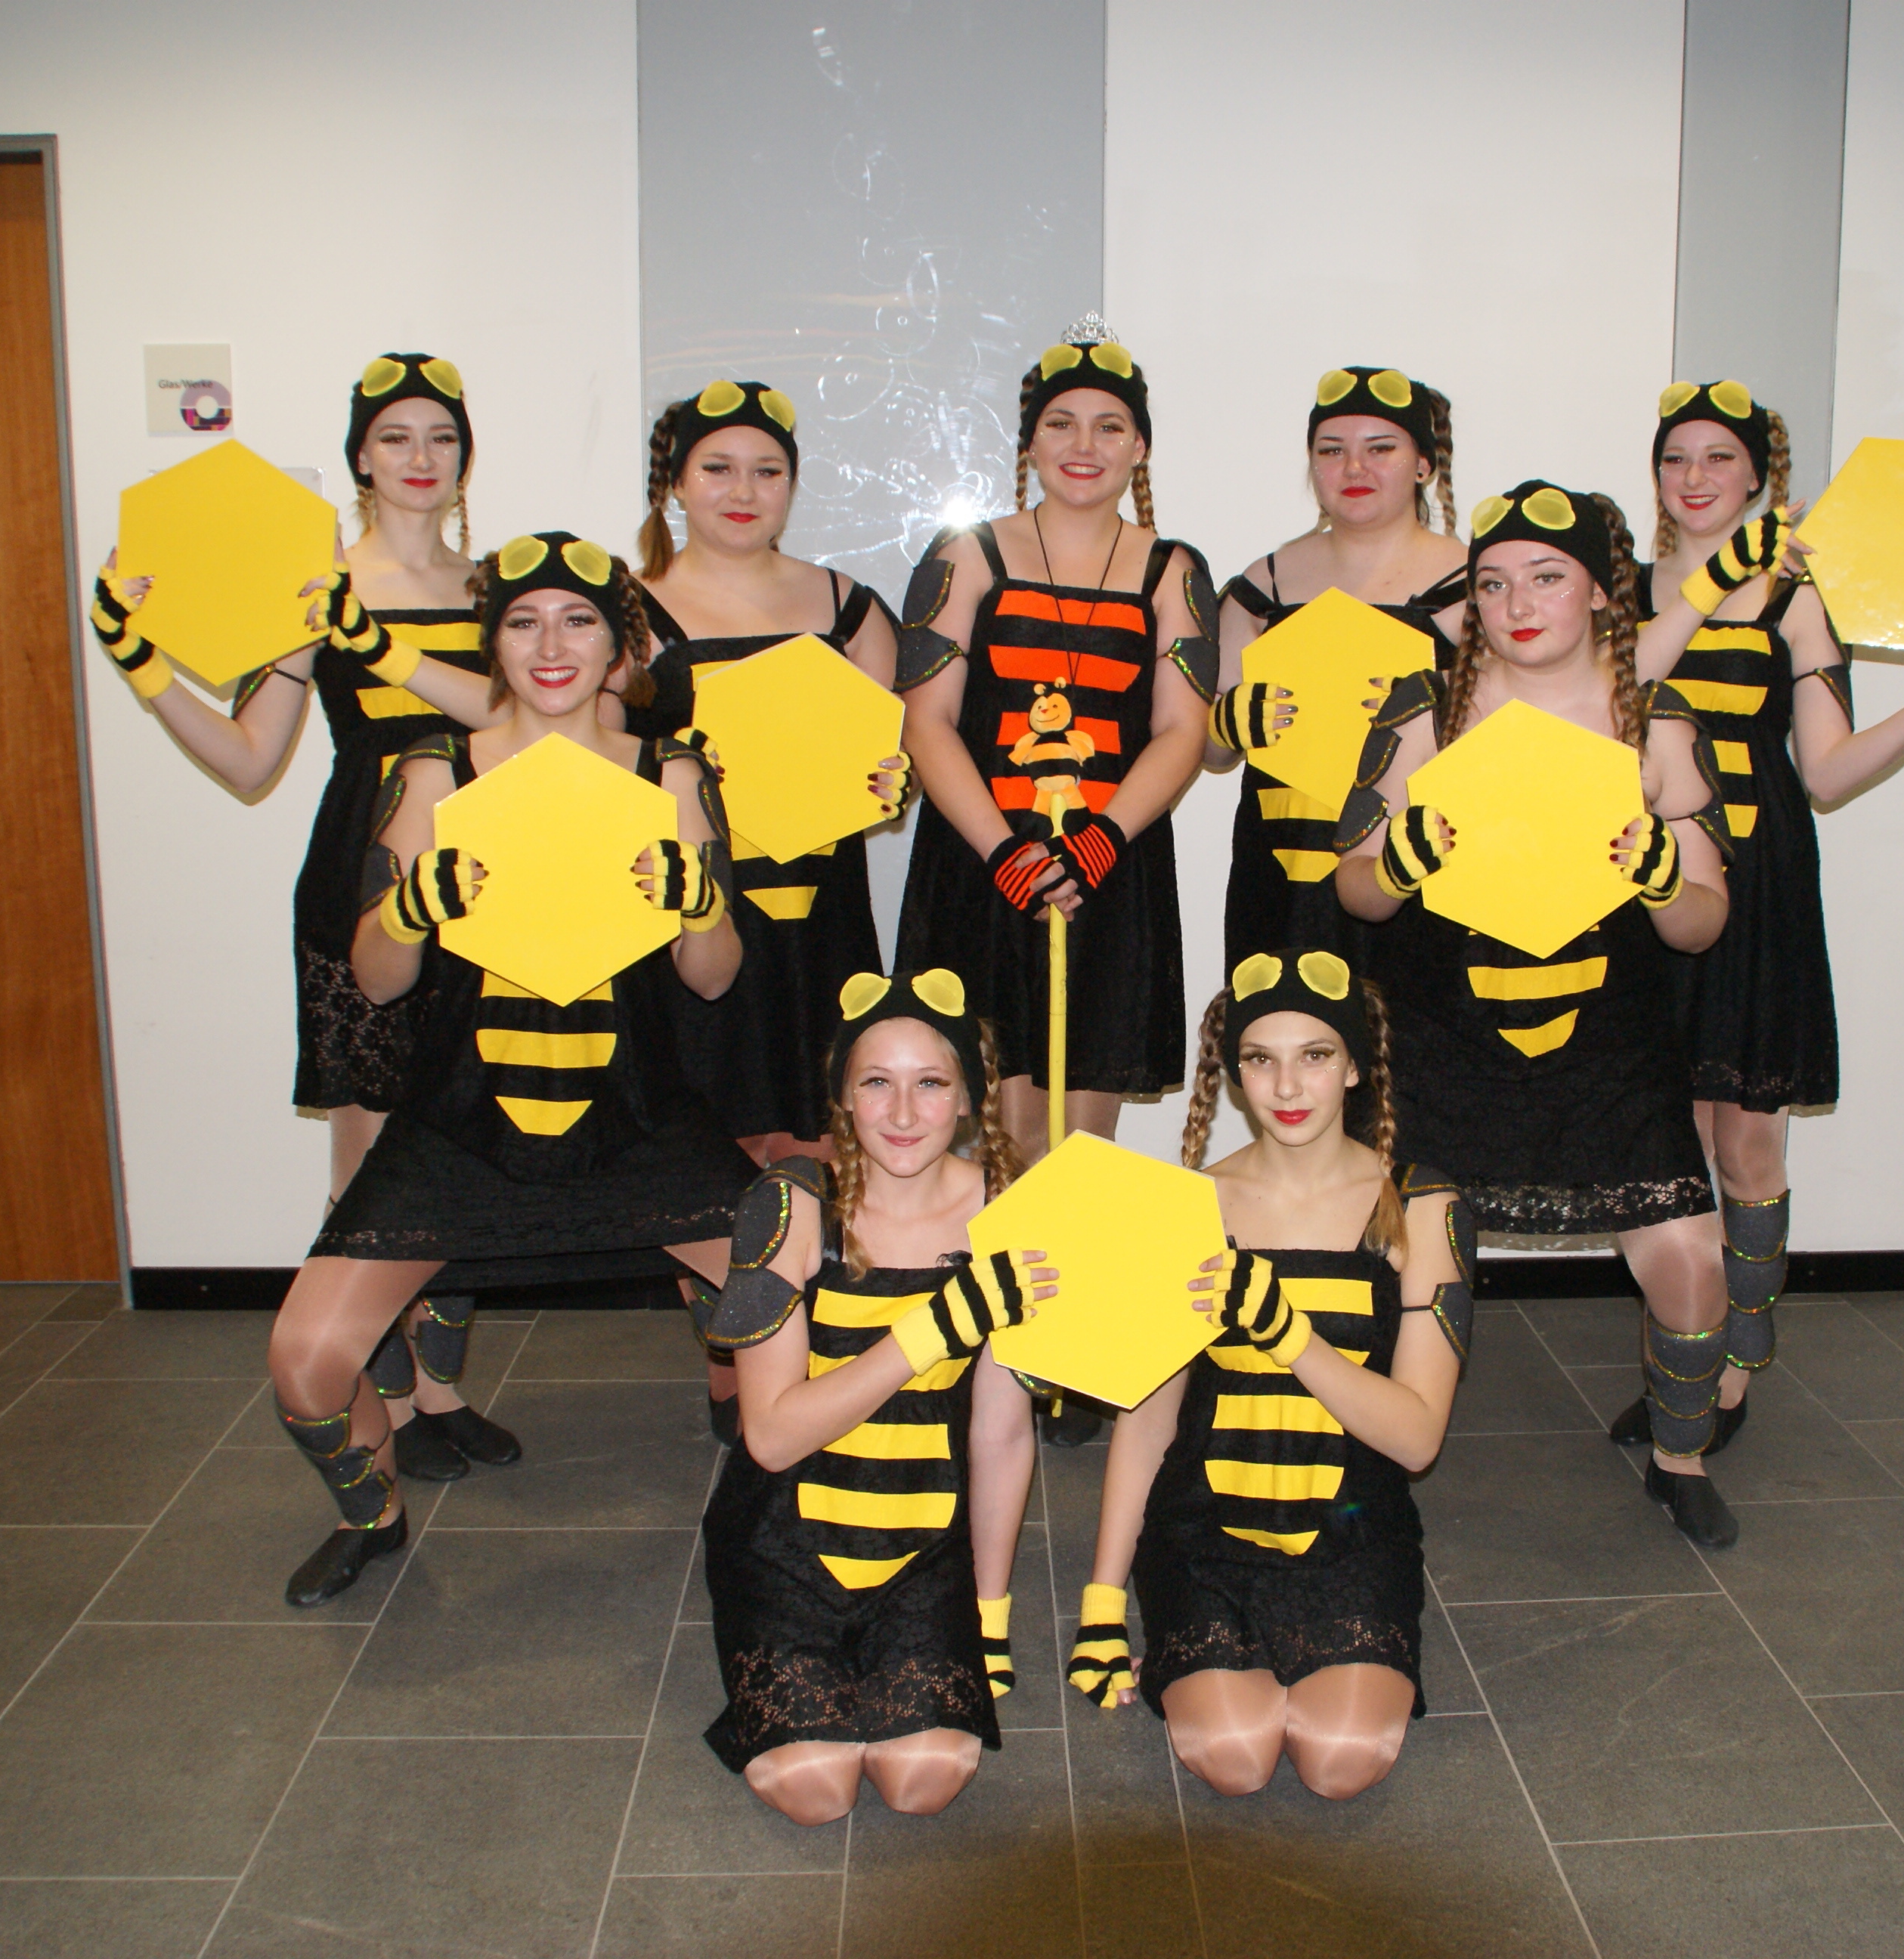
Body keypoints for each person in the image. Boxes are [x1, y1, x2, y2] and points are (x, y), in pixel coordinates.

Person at [262, 530, 754, 1607]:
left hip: (634, 1116)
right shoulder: (433, 767)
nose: (552, 645)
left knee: (802, 1297)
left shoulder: (671, 770)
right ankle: (371, 1519)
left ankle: (783, 1501)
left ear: (619, 646)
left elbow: (714, 977)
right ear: (492, 643)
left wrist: (697, 902)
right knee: (306, 1361)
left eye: (579, 621)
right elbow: (377, 980)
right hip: (462, 1122)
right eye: (524, 622)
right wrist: (409, 908)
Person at [91, 353, 513, 1484]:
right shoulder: (311, 588)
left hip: (488, 886)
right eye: (396, 438)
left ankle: (443, 1392)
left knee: (466, 1141)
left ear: (465, 457)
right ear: (359, 457)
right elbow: (249, 759)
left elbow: (526, 721)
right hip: (361, 881)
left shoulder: (497, 590)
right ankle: (382, 1399)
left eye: (441, 437)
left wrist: (394, 652)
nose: (420, 458)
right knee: (370, 1155)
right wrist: (143, 666)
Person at [1336, 481, 1744, 1547]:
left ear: (1602, 592)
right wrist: (1399, 863)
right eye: (1492, 583)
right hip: (1443, 1030)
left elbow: (1702, 923)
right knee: (1388, 1262)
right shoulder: (1423, 709)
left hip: (1606, 1036)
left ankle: (1679, 1455)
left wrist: (1662, 877)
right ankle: (1356, 1452)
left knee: (1691, 1261)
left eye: (1547, 577)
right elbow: (1356, 889)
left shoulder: (1655, 719)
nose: (1517, 604)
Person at [1620, 381, 1904, 1448]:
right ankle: (1678, 1354)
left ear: (1760, 477)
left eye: (1719, 458)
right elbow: (1608, 694)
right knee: (1656, 1141)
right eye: (1675, 458)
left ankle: (1736, 1361)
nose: (1694, 477)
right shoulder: (1623, 588)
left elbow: (1828, 773)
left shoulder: (1797, 598)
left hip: (1758, 883)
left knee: (1744, 1140)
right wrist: (1706, 588)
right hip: (1642, 878)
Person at [1067, 949, 1466, 1801]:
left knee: (1341, 1761)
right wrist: (1102, 1601)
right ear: (1235, 1073)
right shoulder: (1187, 1205)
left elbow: (1416, 1439)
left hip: (1353, 1534)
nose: (1286, 1086)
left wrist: (1292, 1338)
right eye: (1260, 1059)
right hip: (1204, 1532)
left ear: (1354, 1066)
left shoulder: (1420, 1206)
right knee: (1234, 1758)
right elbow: (1147, 1419)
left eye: (1314, 1055)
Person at [626, 379, 914, 1447]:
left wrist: (889, 785)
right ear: (676, 481)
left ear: (794, 484)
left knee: (820, 1125)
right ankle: (733, 1359)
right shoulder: (629, 610)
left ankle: (811, 1347)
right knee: (713, 1133)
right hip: (696, 916)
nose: (742, 489)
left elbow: (887, 756)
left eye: (767, 470)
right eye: (717, 468)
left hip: (820, 920)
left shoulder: (849, 607)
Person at [695, 969, 1054, 1823]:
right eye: (875, 1083)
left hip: (924, 1542)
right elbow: (770, 1438)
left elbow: (1002, 1435)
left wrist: (988, 1614)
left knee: (924, 1777)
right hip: (785, 1539)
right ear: (842, 1097)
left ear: (968, 1099)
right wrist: (929, 1332)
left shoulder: (1007, 1214)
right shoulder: (789, 1206)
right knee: (812, 1789)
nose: (901, 1113)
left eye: (929, 1084)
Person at [892, 315, 1215, 1165]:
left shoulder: (1174, 570)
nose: (1084, 445)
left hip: (1110, 868)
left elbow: (1182, 729)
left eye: (1109, 426)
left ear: (1140, 446)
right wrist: (1006, 854)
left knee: (1080, 1148)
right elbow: (925, 721)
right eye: (1061, 423)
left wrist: (1102, 843)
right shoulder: (965, 555)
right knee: (997, 1141)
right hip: (983, 866)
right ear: (1030, 441)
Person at [1209, 367, 1469, 970]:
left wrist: (1444, 713)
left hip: (1419, 871)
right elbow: (1210, 753)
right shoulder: (1263, 585)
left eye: (1381, 449)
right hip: (1282, 876)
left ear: (1423, 464)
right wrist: (1224, 723)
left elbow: (1534, 725)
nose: (1355, 468)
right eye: (1332, 451)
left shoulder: (1480, 584)